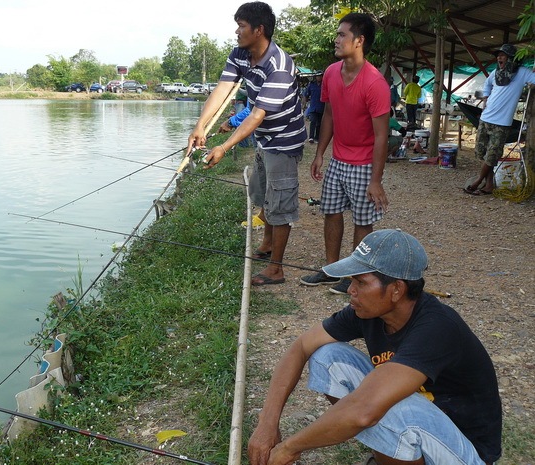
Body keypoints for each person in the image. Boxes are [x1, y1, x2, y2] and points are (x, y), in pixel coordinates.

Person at [248, 229, 502, 465]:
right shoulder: (367, 313)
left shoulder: (437, 327)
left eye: (360, 282)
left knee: (386, 406)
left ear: (396, 290)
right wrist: (267, 424)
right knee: (327, 357)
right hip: (423, 424)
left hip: (465, 450)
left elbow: (364, 411)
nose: (351, 290)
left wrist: (289, 448)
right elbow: (302, 346)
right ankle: (389, 453)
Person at [186, 1, 306, 286]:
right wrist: (200, 126)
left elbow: (256, 115)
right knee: (262, 192)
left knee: (281, 201)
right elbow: (223, 88)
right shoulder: (240, 54)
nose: (236, 32)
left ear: (258, 30)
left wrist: (224, 147)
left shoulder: (278, 65)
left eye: (241, 26)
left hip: (284, 140)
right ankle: (266, 244)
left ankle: (276, 269)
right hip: (265, 138)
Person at [299, 12, 389, 294]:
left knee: (362, 221)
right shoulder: (330, 73)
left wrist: (376, 180)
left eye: (342, 35)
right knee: (331, 212)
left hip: (363, 164)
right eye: (337, 34)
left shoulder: (375, 83)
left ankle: (356, 277)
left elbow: (381, 136)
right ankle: (331, 268)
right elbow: (329, 114)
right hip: (338, 159)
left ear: (359, 41)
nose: (336, 40)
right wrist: (320, 153)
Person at [464, 43, 535, 195]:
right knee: (482, 153)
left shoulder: (522, 72)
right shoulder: (496, 73)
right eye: (498, 55)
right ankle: (489, 185)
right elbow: (487, 84)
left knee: (492, 155)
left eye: (503, 55)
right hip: (485, 118)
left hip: (501, 123)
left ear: (511, 58)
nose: (499, 57)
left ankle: (478, 181)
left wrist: (532, 76)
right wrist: (485, 98)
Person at [303, 72, 325, 143]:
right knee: (313, 121)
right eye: (317, 76)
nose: (318, 77)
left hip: (321, 107)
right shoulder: (311, 85)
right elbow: (306, 94)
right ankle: (311, 137)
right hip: (313, 107)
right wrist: (304, 104)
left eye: (320, 76)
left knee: (319, 123)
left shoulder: (324, 85)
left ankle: (317, 137)